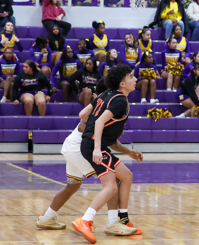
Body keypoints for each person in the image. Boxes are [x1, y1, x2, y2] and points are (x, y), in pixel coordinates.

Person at [37, 85, 139, 235]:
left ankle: (47, 218)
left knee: (72, 186)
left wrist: (128, 151)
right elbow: (86, 125)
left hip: (71, 146)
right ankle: (113, 223)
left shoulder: (102, 107)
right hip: (80, 148)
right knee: (114, 179)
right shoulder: (102, 109)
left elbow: (107, 139)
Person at [71, 65, 143, 243]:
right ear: (122, 83)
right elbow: (100, 122)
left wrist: (129, 152)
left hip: (94, 144)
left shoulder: (105, 94)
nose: (135, 79)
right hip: (94, 147)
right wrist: (96, 147)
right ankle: (85, 220)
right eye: (131, 76)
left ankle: (121, 220)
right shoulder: (120, 100)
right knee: (110, 187)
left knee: (126, 176)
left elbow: (83, 113)